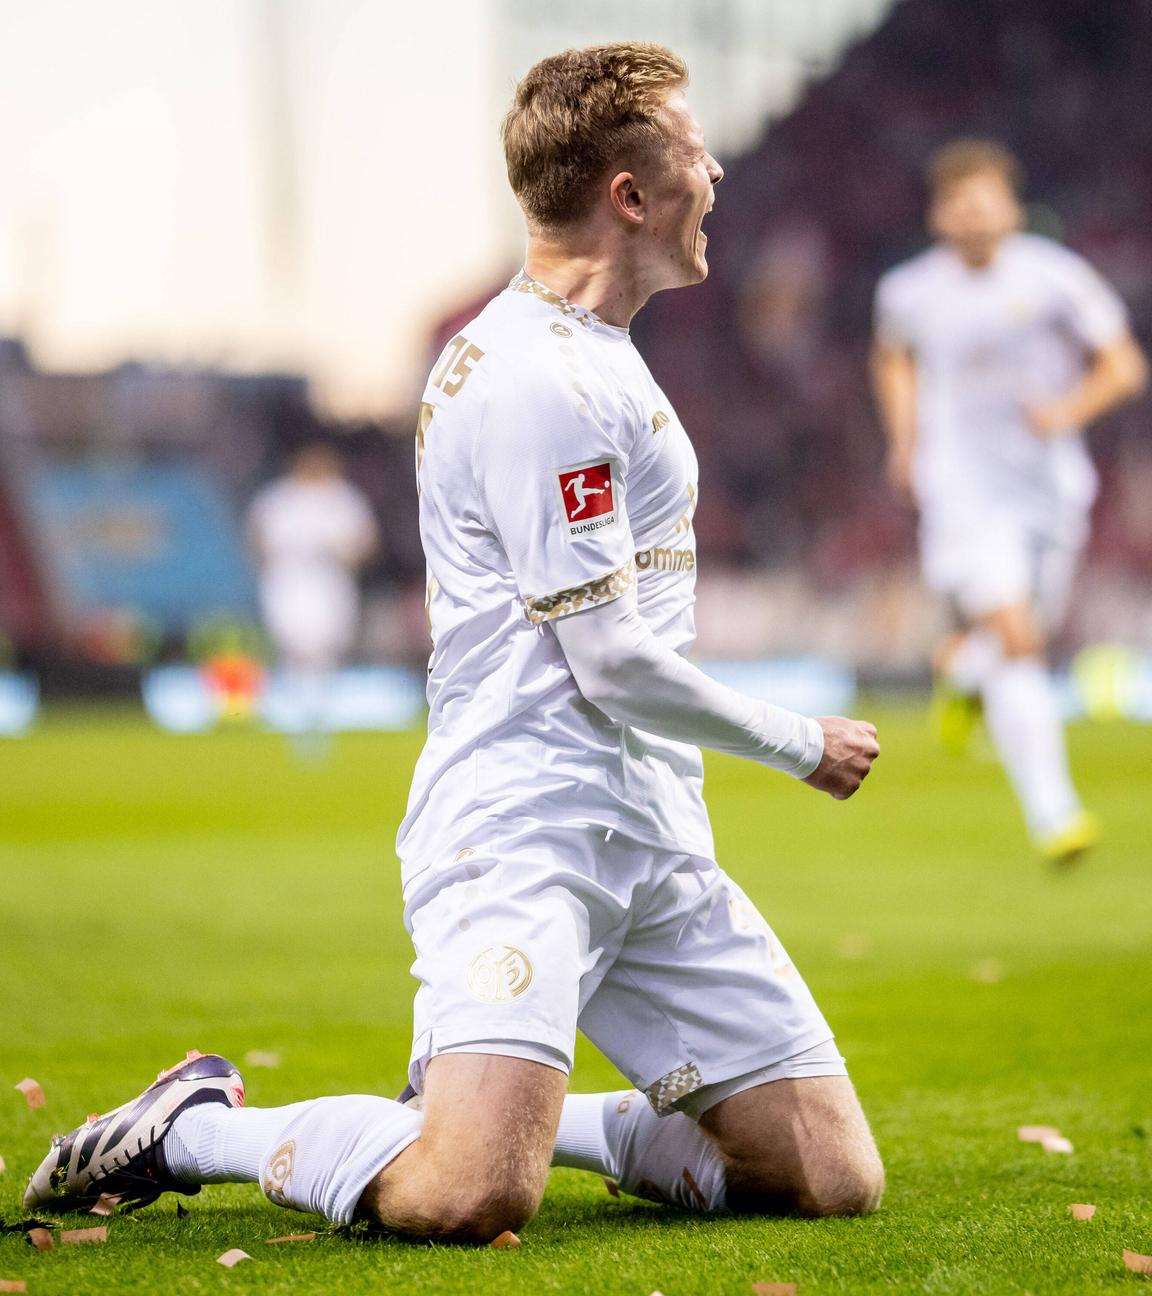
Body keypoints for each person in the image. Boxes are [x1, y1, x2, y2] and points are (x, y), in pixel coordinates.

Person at [26, 44, 883, 1241]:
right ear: (628, 195)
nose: (718, 167)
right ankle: (192, 1128)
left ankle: (517, 1113)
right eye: (693, 149)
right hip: (524, 825)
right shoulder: (538, 379)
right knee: (467, 1194)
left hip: (650, 827)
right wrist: (803, 745)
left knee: (827, 1175)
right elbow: (611, 662)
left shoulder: (590, 355)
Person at [872, 139, 1147, 865]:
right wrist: (904, 441)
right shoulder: (909, 291)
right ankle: (1056, 817)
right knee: (1021, 640)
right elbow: (892, 357)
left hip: (1051, 491)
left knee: (1024, 638)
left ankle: (960, 669)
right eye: (961, 201)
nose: (975, 213)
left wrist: (1066, 410)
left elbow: (1124, 366)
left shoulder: (1056, 278)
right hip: (962, 490)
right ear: (940, 214)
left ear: (1011, 207)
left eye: (987, 199)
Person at [246, 441, 378, 733]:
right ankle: (297, 713)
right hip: (289, 585)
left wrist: (338, 552)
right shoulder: (278, 499)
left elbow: (365, 545)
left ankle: (318, 712)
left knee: (325, 648)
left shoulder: (343, 498)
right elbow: (257, 540)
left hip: (330, 585)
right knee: (294, 647)